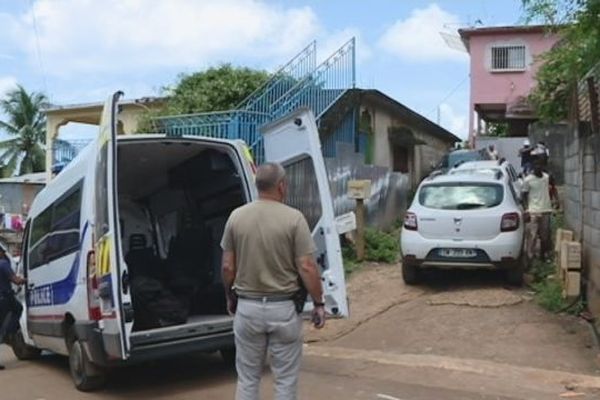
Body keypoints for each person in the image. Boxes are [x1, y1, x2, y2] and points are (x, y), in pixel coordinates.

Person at [221, 162, 325, 400]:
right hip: (284, 310)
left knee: (247, 378)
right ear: (281, 186)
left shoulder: (236, 217)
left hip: (248, 308)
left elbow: (227, 266)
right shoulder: (294, 219)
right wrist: (319, 303)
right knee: (285, 381)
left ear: (258, 185)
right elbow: (307, 267)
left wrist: (230, 296)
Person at [522, 159, 560, 262]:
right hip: (533, 211)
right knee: (532, 236)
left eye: (540, 165)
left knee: (545, 237)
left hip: (546, 210)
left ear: (543, 166)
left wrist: (557, 200)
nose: (538, 168)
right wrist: (526, 209)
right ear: (533, 167)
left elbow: (554, 188)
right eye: (536, 166)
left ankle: (543, 256)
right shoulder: (528, 180)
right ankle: (530, 258)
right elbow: (524, 195)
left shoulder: (547, 177)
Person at [0, 245, 26, 370]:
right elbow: (15, 280)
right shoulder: (3, 263)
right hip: (5, 297)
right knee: (19, 309)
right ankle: (9, 333)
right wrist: (25, 280)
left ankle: (6, 333)